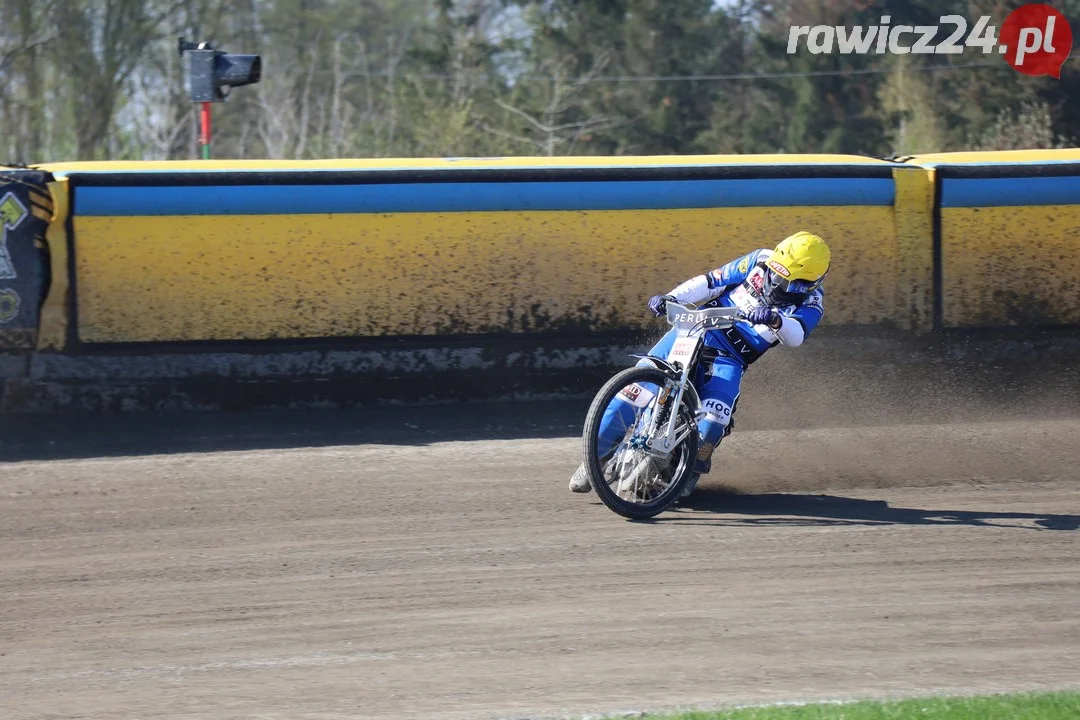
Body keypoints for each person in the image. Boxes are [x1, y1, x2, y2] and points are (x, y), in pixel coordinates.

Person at [568, 230, 831, 498]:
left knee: (715, 417)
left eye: (789, 283)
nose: (777, 286)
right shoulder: (760, 258)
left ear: (811, 282)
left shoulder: (813, 303)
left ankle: (688, 470)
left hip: (730, 357)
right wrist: (672, 298)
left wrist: (776, 320)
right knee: (633, 391)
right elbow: (712, 281)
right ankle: (594, 459)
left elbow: (796, 335)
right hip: (692, 331)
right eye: (775, 276)